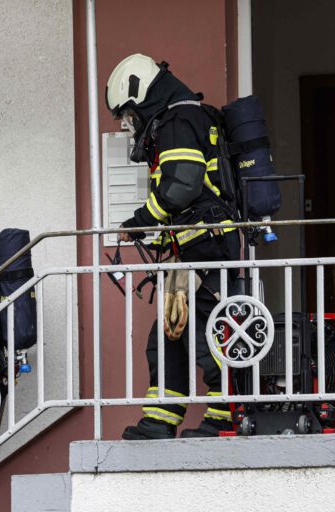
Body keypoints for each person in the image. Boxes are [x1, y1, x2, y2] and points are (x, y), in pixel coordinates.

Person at [106, 54, 240, 439]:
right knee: (169, 332)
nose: (128, 124)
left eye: (128, 115)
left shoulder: (180, 122)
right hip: (189, 251)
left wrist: (140, 221)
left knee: (209, 329)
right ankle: (161, 419)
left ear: (140, 96)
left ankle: (226, 415)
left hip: (206, 245)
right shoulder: (175, 121)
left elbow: (182, 184)